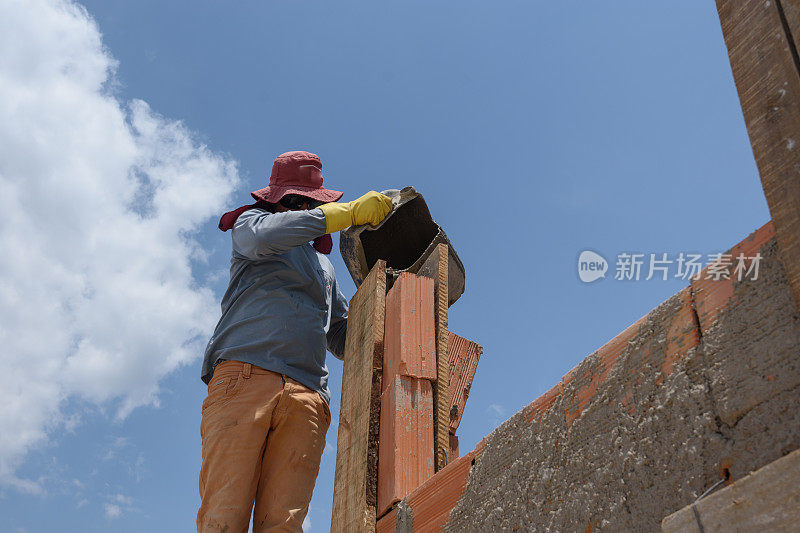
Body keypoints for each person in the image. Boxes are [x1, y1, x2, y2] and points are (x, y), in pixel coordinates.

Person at [197, 150, 393, 532]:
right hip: (245, 379)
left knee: (283, 525)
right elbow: (270, 235)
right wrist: (349, 214)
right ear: (277, 199)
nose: (303, 208)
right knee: (224, 516)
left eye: (310, 202)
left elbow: (340, 336)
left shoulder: (323, 267)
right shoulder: (252, 225)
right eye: (296, 201)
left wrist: (387, 307)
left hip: (306, 397)